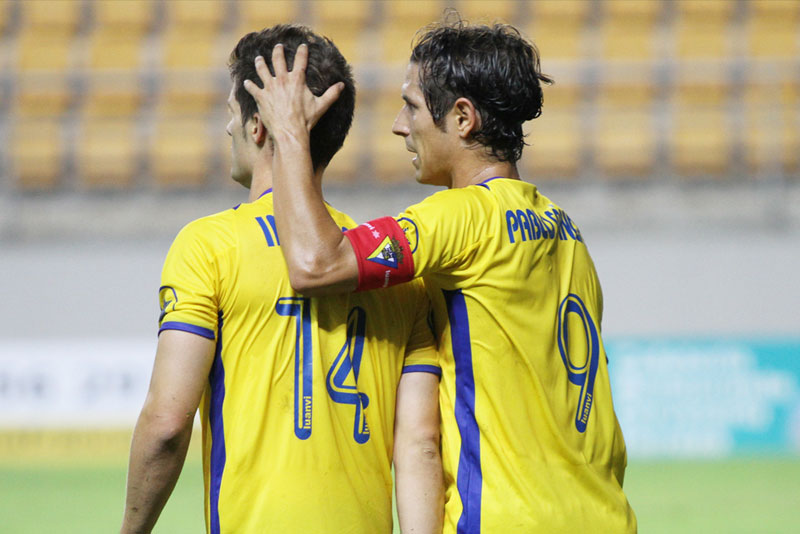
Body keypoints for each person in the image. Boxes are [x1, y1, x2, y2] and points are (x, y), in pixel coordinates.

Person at [244, 18, 637, 533]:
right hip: (605, 516)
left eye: (410, 106)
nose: (399, 126)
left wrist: (289, 134)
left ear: (463, 117)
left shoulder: (459, 219)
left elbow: (317, 264)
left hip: (506, 521)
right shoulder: (566, 231)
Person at [120, 25, 443, 534]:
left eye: (231, 113)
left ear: (259, 127)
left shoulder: (208, 246)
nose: (227, 129)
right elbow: (421, 446)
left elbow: (167, 424)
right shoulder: (392, 268)